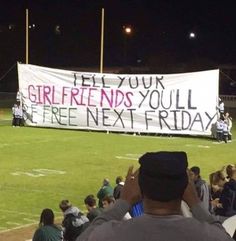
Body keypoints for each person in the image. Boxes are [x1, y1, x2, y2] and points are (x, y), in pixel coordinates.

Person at [77, 151, 234, 241]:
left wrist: (122, 203)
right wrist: (195, 204)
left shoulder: (110, 234)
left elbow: (85, 237)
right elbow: (223, 235)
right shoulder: (207, 235)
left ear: (140, 188)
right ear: (185, 188)